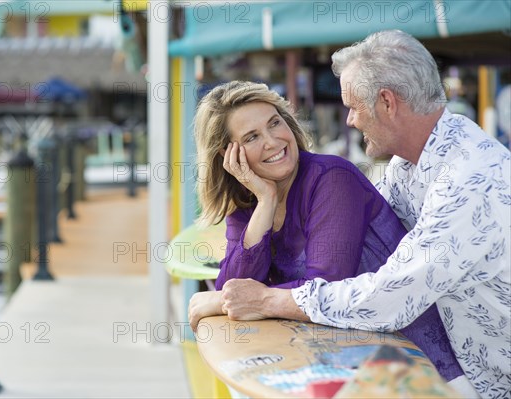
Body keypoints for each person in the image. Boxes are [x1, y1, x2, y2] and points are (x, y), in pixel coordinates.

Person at [208, 31, 510, 398]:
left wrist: (265, 300)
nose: (350, 120)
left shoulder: (468, 179)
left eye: (354, 106)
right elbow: (367, 242)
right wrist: (265, 204)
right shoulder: (410, 165)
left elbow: (391, 295)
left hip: (489, 379)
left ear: (387, 102)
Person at [188, 80, 463, 383]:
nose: (272, 140)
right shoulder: (249, 202)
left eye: (275, 123)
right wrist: (266, 201)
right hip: (343, 360)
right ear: (230, 157)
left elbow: (325, 288)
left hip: (418, 367)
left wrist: (231, 300)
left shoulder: (331, 178)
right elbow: (237, 290)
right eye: (252, 136)